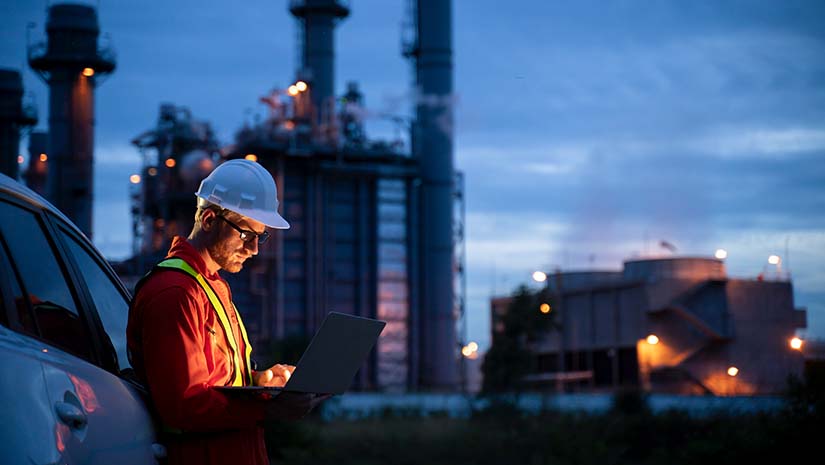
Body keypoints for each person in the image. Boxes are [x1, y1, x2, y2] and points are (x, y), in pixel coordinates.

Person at [127, 159, 325, 464]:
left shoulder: (212, 287)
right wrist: (268, 409)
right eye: (247, 235)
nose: (255, 249)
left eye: (262, 236)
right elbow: (184, 406)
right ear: (208, 220)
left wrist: (260, 382)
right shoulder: (174, 294)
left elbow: (219, 382)